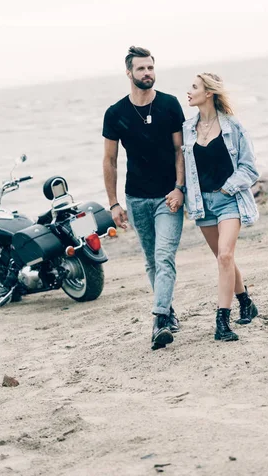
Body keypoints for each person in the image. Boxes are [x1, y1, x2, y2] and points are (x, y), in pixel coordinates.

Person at [102, 46, 186, 350]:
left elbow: (181, 150)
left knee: (164, 256)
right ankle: (169, 312)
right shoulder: (115, 114)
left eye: (150, 67)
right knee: (151, 261)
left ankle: (159, 319)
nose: (147, 73)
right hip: (136, 198)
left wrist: (179, 187)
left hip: (169, 197)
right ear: (129, 73)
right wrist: (113, 203)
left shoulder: (169, 105)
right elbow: (109, 160)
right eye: (141, 69)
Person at [181, 72, 259, 341]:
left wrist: (228, 187)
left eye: (194, 87)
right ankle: (246, 301)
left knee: (225, 256)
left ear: (209, 93)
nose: (188, 92)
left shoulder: (233, 127)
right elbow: (182, 168)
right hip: (203, 205)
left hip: (229, 200)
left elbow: (250, 168)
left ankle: (222, 322)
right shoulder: (187, 129)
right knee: (223, 258)